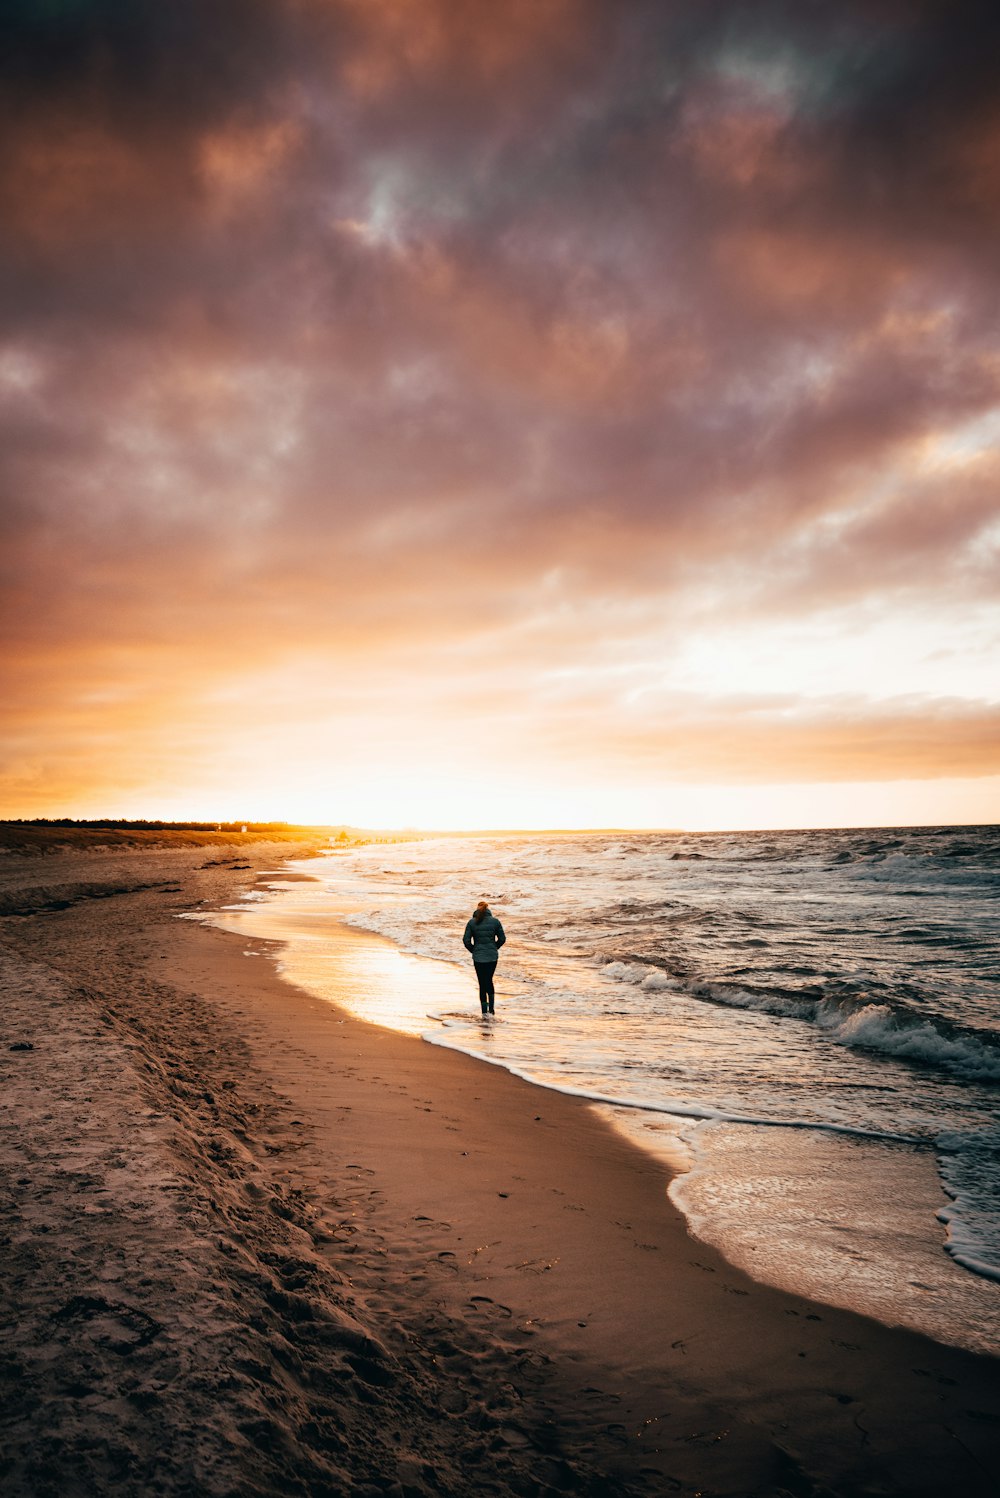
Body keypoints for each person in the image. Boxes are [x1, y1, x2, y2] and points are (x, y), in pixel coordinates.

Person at [463, 900, 506, 1015]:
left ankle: (484, 1012)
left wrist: (474, 950)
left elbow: (466, 941)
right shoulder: (495, 922)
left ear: (477, 910)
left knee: (482, 983)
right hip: (492, 957)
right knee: (489, 981)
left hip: (478, 958)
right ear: (488, 910)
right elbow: (502, 939)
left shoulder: (472, 922)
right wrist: (494, 948)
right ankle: (491, 1010)